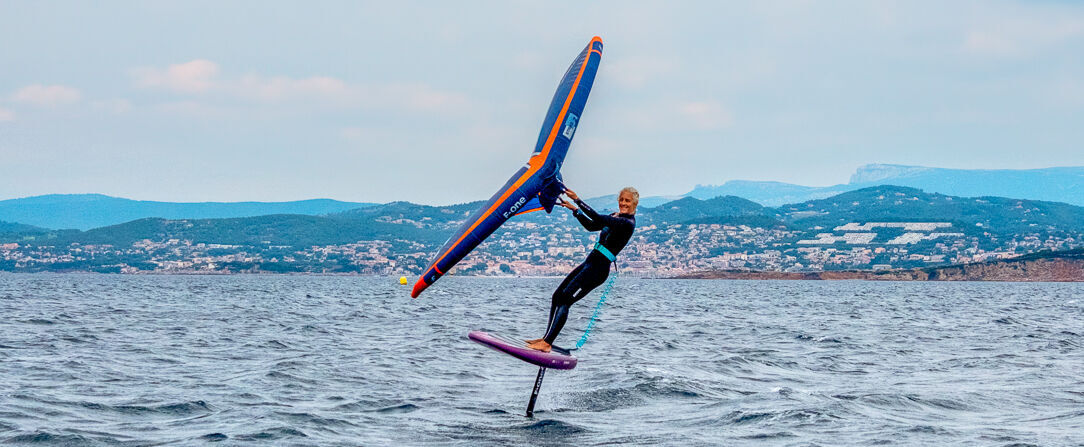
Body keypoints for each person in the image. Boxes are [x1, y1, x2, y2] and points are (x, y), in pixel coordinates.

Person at [526, 187, 638, 352]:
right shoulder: (616, 216)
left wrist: (577, 199)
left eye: (627, 201)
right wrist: (575, 211)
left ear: (635, 203)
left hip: (598, 269)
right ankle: (545, 338)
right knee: (557, 296)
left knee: (565, 300)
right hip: (590, 262)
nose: (623, 203)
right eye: (621, 199)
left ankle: (547, 343)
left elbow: (597, 217)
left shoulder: (627, 223)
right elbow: (592, 226)